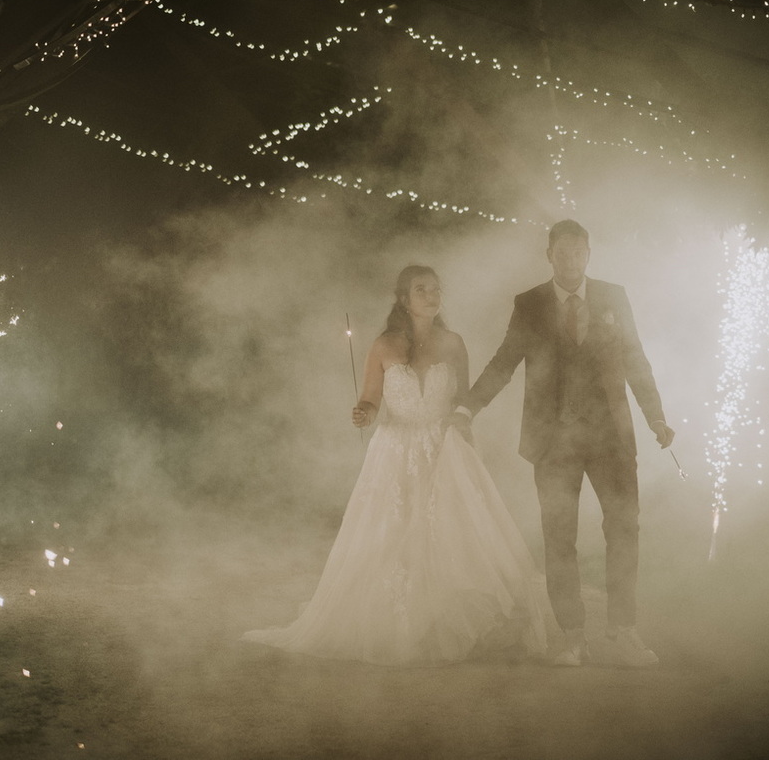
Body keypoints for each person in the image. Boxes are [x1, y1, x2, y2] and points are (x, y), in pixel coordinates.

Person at [243, 265, 547, 666]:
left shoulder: (453, 343)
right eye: (422, 290)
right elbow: (370, 398)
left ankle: (452, 620)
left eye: (436, 289)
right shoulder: (384, 346)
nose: (432, 296)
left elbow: (464, 398)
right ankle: (404, 625)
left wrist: (462, 427)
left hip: (444, 447)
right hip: (396, 450)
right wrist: (364, 413)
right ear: (404, 299)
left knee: (449, 531)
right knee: (397, 532)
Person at [451, 219, 674, 667]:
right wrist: (467, 407)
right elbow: (505, 361)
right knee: (559, 537)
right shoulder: (530, 303)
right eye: (563, 251)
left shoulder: (613, 296)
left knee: (624, 530)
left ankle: (623, 630)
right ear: (549, 254)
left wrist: (656, 416)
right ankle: (572, 637)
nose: (571, 259)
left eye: (579, 251)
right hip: (553, 442)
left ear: (588, 254)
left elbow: (635, 359)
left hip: (611, 439)